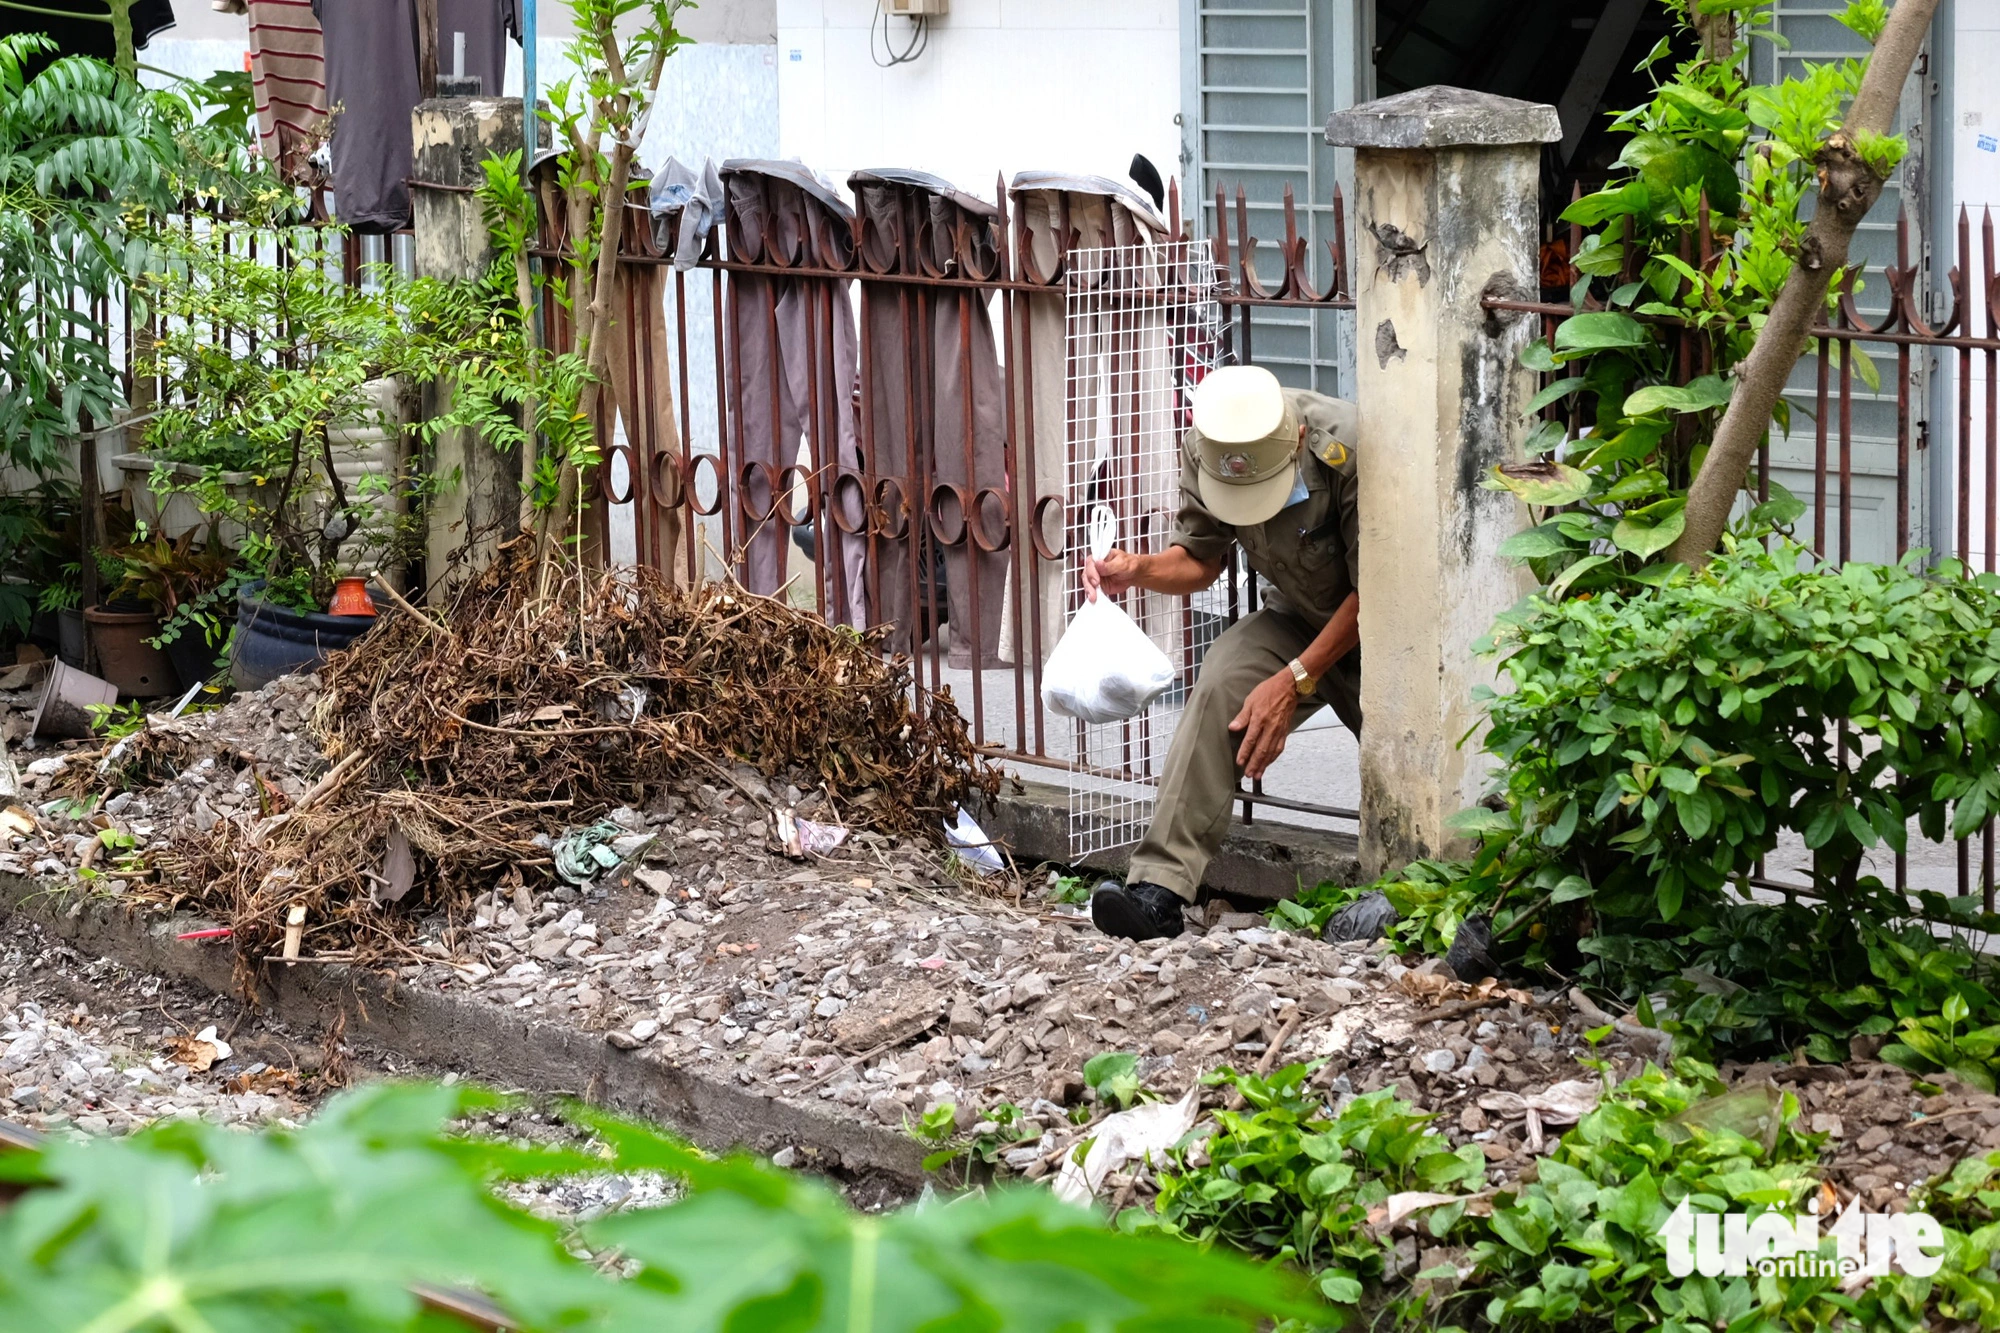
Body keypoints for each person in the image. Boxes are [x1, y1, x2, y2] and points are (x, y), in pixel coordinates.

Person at [1084, 365, 1361, 941]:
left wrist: (1294, 680)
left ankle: (1411, 888)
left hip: (1382, 629)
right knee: (1219, 685)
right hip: (1295, 618)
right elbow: (1201, 557)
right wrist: (1136, 569)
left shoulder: (1346, 450)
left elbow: (1380, 592)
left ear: (1298, 443)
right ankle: (1159, 891)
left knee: (1408, 747)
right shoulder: (1208, 445)